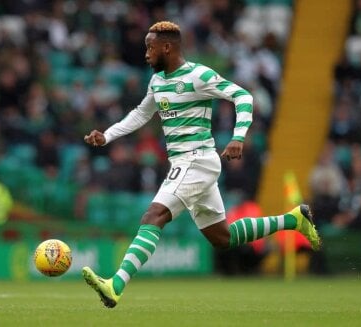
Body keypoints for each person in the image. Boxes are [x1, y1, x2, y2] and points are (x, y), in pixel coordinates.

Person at [82, 21, 321, 308]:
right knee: (223, 237)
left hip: (197, 160)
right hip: (188, 163)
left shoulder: (198, 75)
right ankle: (293, 219)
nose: (145, 53)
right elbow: (140, 114)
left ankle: (115, 284)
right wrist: (106, 135)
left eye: (150, 47)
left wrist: (237, 137)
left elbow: (243, 96)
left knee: (153, 215)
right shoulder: (158, 82)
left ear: (167, 47)